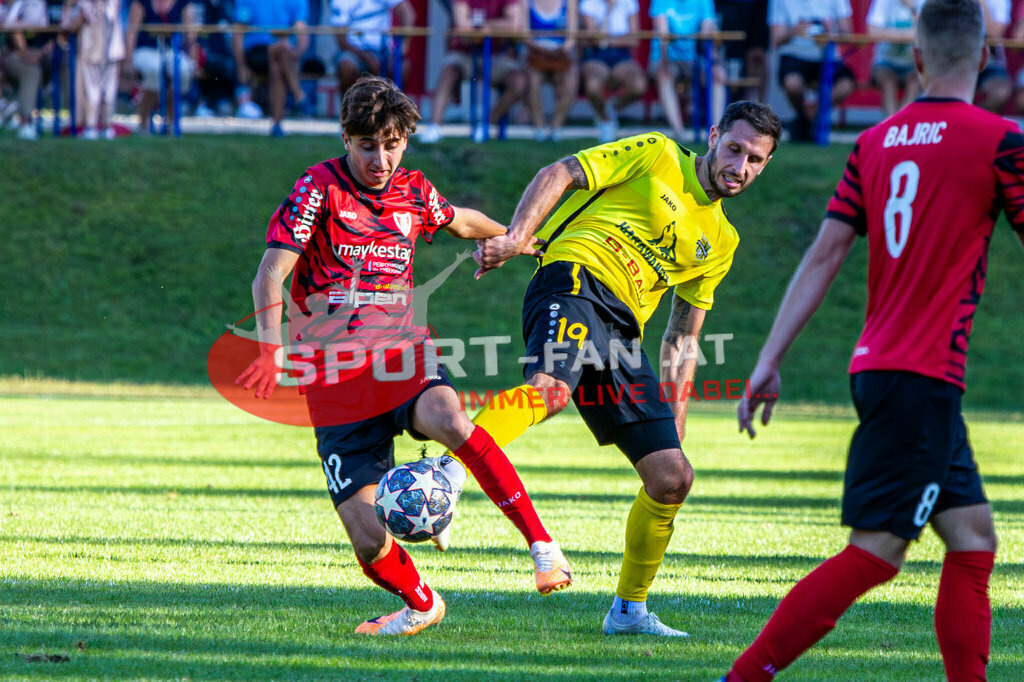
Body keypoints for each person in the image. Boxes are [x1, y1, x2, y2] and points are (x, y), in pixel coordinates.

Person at [725, 1, 1024, 678]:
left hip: (885, 368)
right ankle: (741, 677)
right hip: (923, 376)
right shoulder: (1000, 141)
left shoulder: (874, 141)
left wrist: (769, 358)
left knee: (973, 541)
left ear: (915, 60)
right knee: (878, 552)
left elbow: (825, 256)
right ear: (983, 58)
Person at [236, 75, 573, 636]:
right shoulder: (317, 188)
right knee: (368, 540)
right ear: (347, 138)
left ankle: (542, 546)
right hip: (335, 379)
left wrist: (519, 240)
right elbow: (271, 272)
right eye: (369, 145)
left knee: (449, 418)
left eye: (392, 145)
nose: (381, 158)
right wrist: (272, 350)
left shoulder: (414, 191)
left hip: (399, 353)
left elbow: (459, 218)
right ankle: (421, 602)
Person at [471, 101, 781, 636]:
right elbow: (560, 172)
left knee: (672, 477)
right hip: (575, 277)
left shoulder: (722, 242)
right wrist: (519, 237)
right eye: (734, 149)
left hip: (619, 332)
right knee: (548, 391)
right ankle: (446, 475)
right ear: (713, 137)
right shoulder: (658, 154)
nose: (741, 166)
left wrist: (677, 417)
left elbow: (683, 336)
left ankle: (628, 612)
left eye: (755, 160)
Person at [419, 0, 527, 144]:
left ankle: (487, 124)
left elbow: (514, 25)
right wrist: (496, 26)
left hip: (497, 55)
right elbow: (462, 27)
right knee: (449, 71)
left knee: (519, 82)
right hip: (466, 53)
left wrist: (483, 26)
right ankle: (434, 126)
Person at [768, 0, 856, 141]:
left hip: (828, 56)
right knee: (793, 84)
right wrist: (794, 31)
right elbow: (776, 40)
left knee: (846, 84)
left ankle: (807, 119)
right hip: (795, 55)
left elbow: (847, 34)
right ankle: (809, 122)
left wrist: (830, 33)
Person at [231, 0, 308, 136]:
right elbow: (238, 33)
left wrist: (298, 53)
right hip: (256, 52)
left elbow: (301, 28)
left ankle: (276, 125)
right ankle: (298, 93)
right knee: (282, 48)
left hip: (283, 56)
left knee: (277, 67)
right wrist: (241, 66)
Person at [648, 0, 721, 140]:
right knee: (664, 75)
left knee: (718, 74)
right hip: (666, 57)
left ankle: (715, 133)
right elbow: (663, 36)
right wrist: (664, 62)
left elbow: (706, 34)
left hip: (693, 59)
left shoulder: (704, 2)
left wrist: (712, 61)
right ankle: (679, 132)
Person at [124, 0, 196, 134]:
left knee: (183, 70)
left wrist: (192, 57)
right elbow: (131, 31)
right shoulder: (140, 2)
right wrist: (128, 61)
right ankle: (144, 120)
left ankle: (170, 119)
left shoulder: (183, 3)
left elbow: (191, 33)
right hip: (145, 49)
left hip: (171, 50)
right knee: (154, 70)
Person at [578, 0, 646, 142]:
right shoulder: (588, 3)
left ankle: (610, 110)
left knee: (639, 85)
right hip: (596, 55)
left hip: (621, 55)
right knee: (593, 86)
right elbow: (594, 38)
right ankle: (606, 120)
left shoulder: (629, 2)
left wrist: (606, 40)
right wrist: (609, 10)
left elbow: (634, 39)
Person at [328, 0, 415, 104]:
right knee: (347, 66)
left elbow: (408, 14)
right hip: (353, 50)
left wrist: (402, 47)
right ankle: (348, 111)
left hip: (383, 49)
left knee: (402, 66)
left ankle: (396, 111)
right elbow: (341, 40)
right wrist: (367, 57)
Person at [62, 0, 125, 139]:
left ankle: (98, 126)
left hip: (105, 52)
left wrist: (69, 7)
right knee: (95, 92)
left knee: (103, 92)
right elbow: (69, 27)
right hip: (95, 53)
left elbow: (70, 27)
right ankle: (97, 126)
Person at [523, 0, 578, 142]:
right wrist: (540, 49)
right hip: (536, 54)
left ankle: (556, 126)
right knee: (531, 81)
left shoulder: (569, 3)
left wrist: (561, 51)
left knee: (571, 82)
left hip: (560, 55)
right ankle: (539, 126)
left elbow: (572, 37)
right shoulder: (527, 2)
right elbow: (525, 35)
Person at [1, 0, 50, 139]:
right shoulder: (16, 6)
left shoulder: (42, 5)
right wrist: (24, 53)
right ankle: (25, 122)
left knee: (36, 69)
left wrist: (38, 54)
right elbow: (10, 27)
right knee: (32, 71)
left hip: (38, 55)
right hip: (12, 56)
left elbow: (50, 29)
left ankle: (18, 108)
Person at [866, 0, 922, 116]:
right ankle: (892, 123)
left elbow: (925, 31)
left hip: (912, 63)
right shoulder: (883, 2)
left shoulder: (922, 3)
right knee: (888, 83)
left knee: (916, 81)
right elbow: (872, 31)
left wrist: (913, 9)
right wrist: (905, 35)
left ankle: (900, 122)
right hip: (885, 62)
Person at [718, 0, 769, 102]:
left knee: (757, 55)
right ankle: (740, 107)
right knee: (732, 60)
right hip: (729, 6)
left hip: (757, 5)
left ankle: (758, 109)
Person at [975, 0, 1011, 112]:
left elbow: (994, 34)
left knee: (1000, 91)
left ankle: (979, 120)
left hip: (990, 64)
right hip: (952, 61)